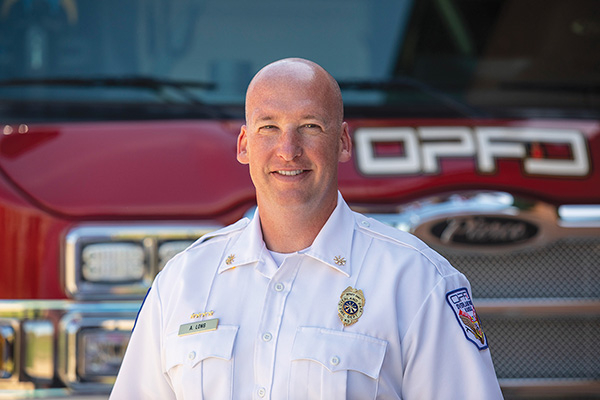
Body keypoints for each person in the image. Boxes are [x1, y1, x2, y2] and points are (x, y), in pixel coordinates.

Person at [110, 58, 504, 399]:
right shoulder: (182, 281)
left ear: (343, 142)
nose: (288, 149)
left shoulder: (418, 282)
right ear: (244, 144)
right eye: (268, 127)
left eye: (310, 126)